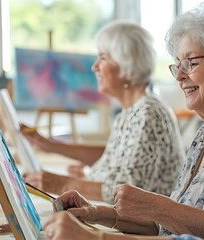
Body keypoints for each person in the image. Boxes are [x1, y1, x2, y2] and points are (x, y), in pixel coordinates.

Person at [42, 3, 204, 240]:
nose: (179, 76)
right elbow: (169, 225)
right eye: (178, 64)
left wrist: (156, 205)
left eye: (191, 62)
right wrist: (96, 214)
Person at [22, 21, 185, 204]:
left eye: (103, 58)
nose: (95, 67)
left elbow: (126, 191)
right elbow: (114, 158)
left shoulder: (148, 113)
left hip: (146, 228)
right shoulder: (130, 111)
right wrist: (57, 150)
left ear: (126, 65)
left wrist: (61, 183)